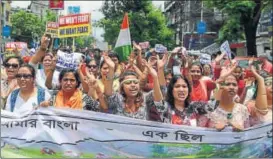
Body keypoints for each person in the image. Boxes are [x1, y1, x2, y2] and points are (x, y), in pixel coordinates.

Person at [199, 62, 268, 131]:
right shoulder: (209, 107)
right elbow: (197, 132)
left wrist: (241, 131)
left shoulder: (243, 109)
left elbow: (249, 133)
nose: (231, 87)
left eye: (234, 85)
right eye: (228, 84)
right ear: (221, 87)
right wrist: (214, 130)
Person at [103, 54, 165, 120]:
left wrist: (156, 76)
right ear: (122, 87)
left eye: (135, 82)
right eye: (128, 83)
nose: (133, 85)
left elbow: (160, 98)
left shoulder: (145, 99)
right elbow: (108, 94)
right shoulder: (117, 99)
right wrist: (111, 69)